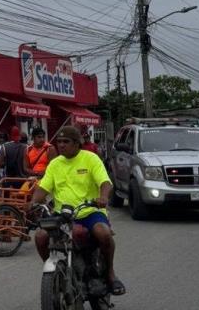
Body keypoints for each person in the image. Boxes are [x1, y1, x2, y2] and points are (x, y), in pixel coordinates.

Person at [31, 126, 125, 297]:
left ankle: (110, 273)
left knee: (104, 234)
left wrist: (103, 197)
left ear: (77, 143)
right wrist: (32, 203)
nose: (61, 145)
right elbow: (42, 189)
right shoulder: (55, 164)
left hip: (89, 212)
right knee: (40, 236)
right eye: (59, 142)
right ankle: (55, 274)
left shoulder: (90, 159)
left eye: (66, 142)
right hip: (62, 214)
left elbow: (105, 183)